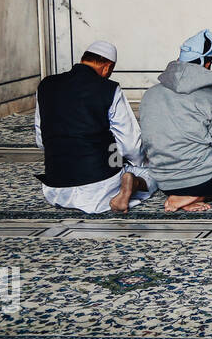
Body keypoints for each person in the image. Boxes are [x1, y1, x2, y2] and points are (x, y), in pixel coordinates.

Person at [33, 40, 157, 214]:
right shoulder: (109, 89)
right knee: (153, 173)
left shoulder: (46, 85)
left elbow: (41, 140)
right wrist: (139, 163)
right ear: (107, 67)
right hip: (99, 187)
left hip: (56, 188)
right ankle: (132, 184)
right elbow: (130, 145)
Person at [141, 29, 212, 213]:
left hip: (164, 182)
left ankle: (184, 197)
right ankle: (195, 196)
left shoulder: (150, 94)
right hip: (202, 181)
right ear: (206, 64)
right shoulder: (211, 100)